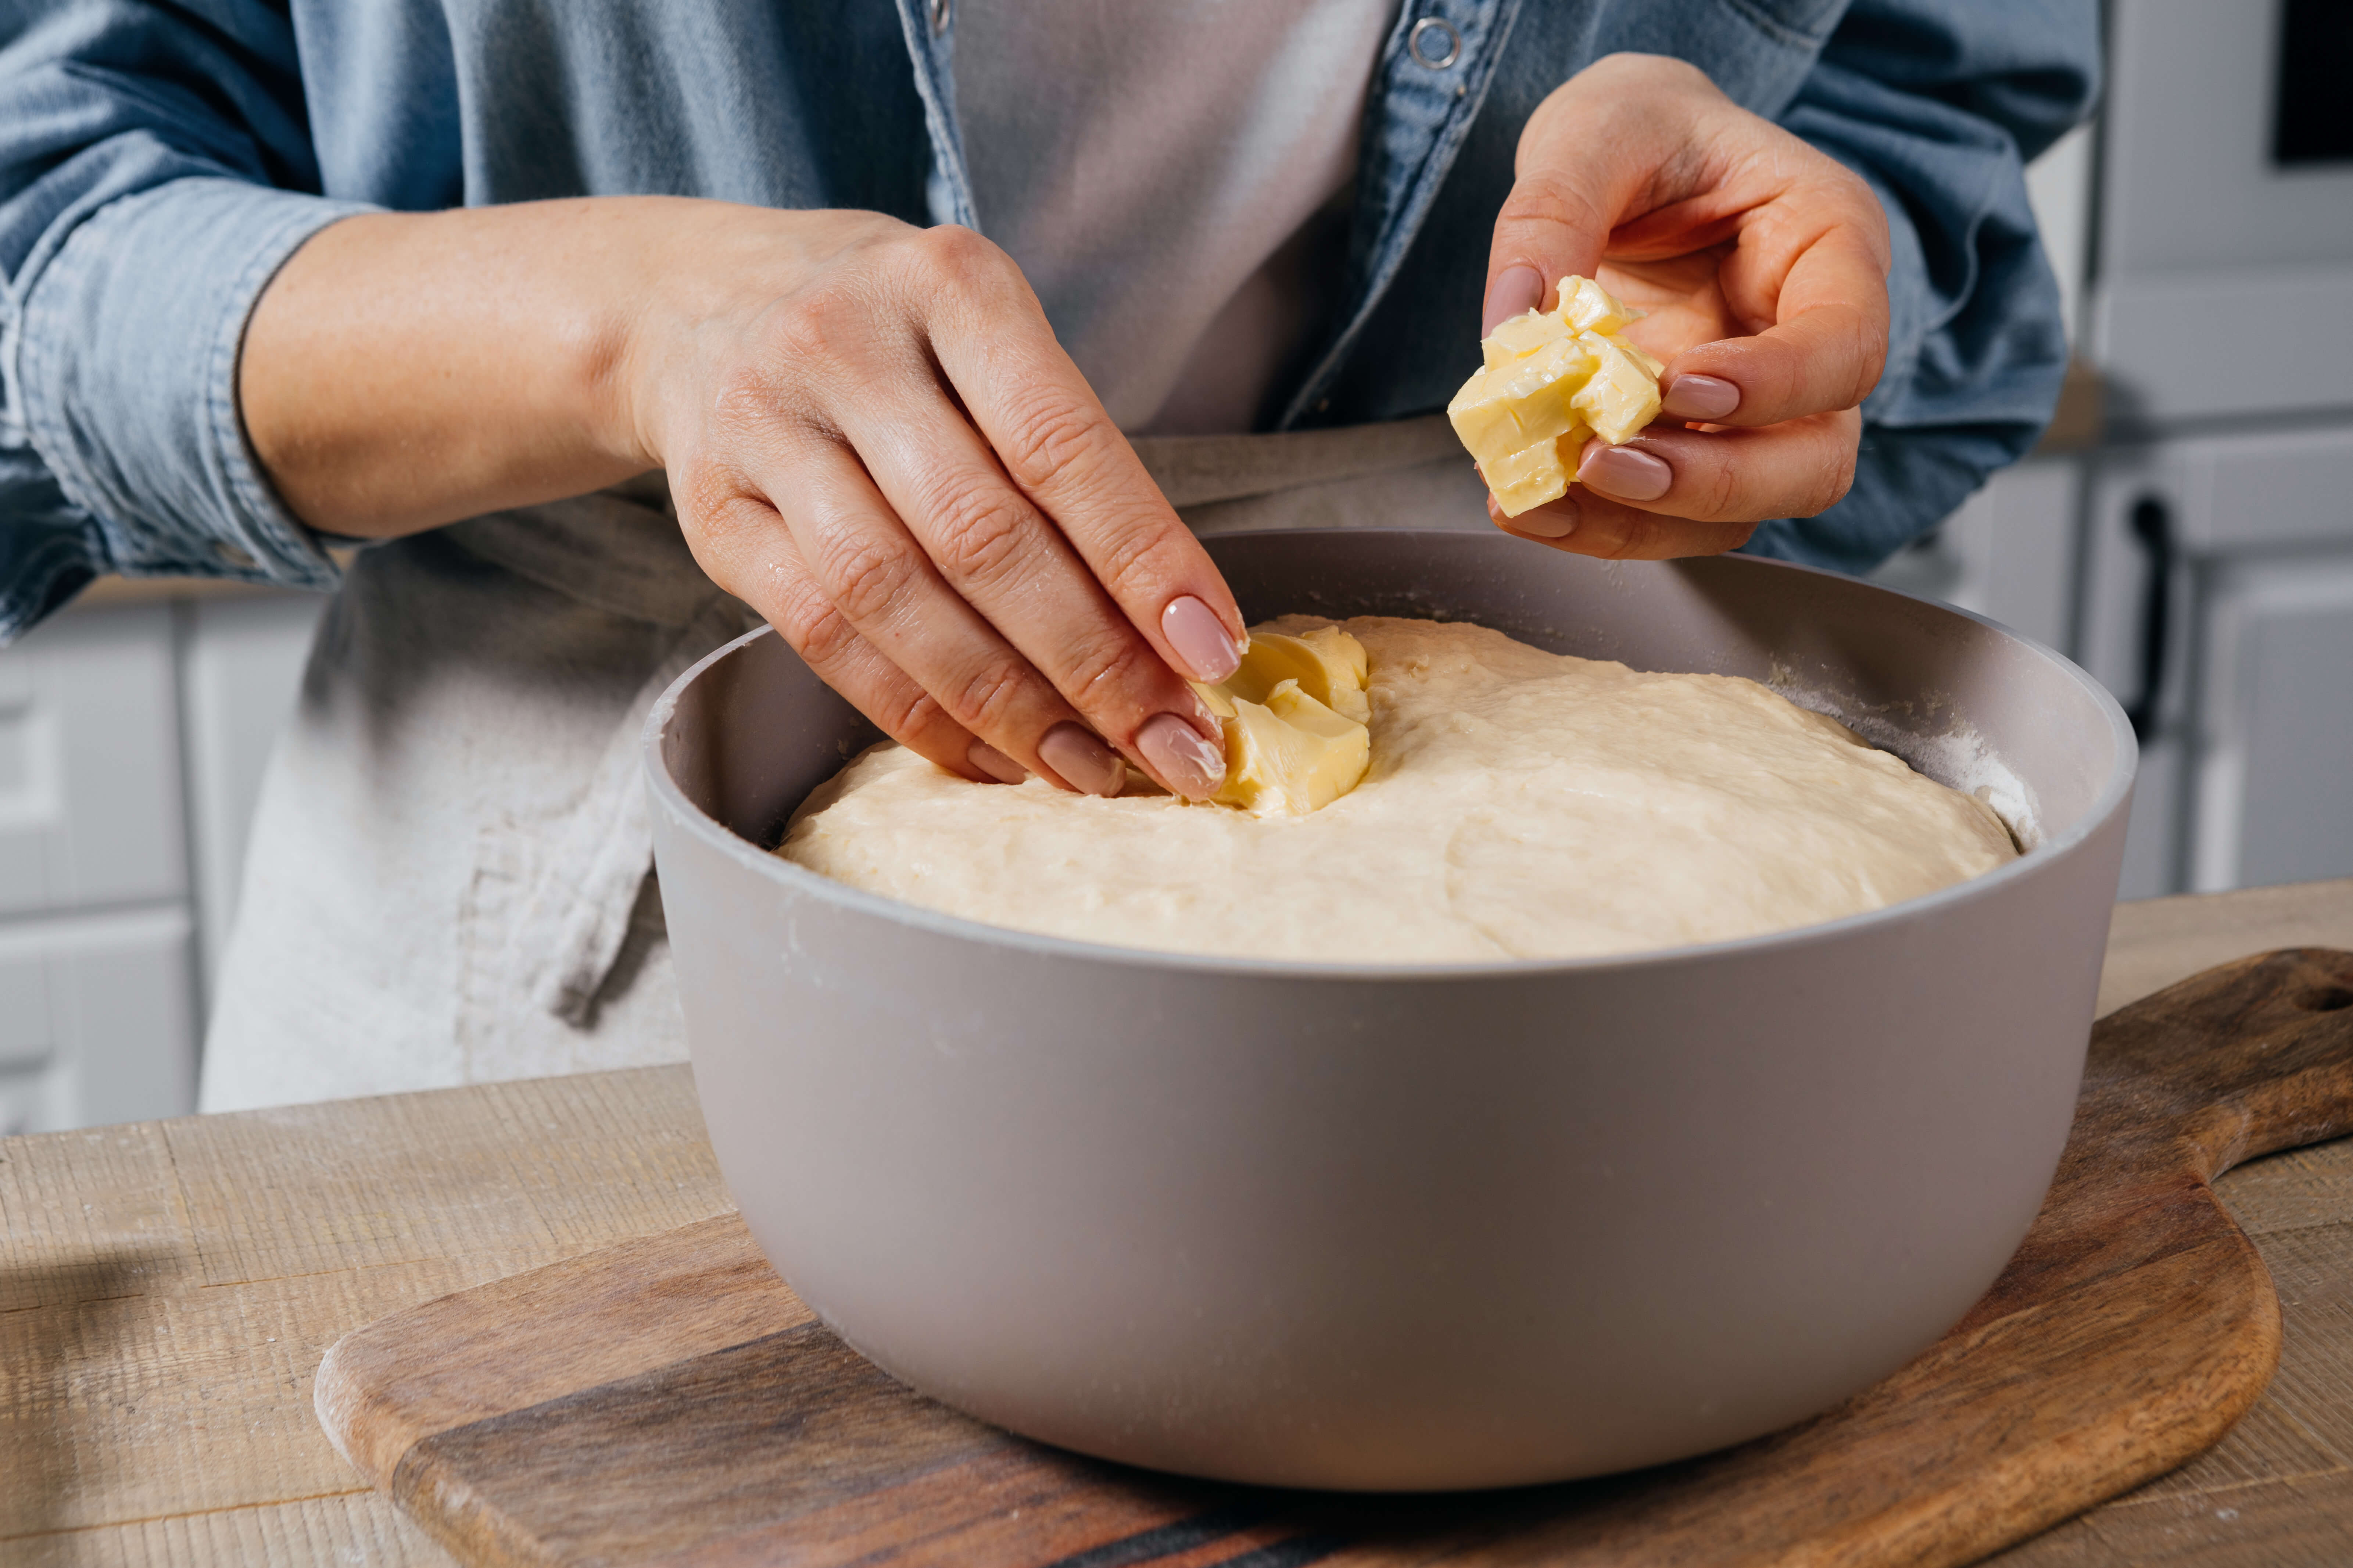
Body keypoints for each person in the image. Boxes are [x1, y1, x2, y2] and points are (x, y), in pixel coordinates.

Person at [0, 1, 2096, 1110]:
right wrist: (634, 326)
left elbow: (1933, 98)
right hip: (563, 970)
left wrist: (1753, 282)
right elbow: (44, 235)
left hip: (1606, 940)